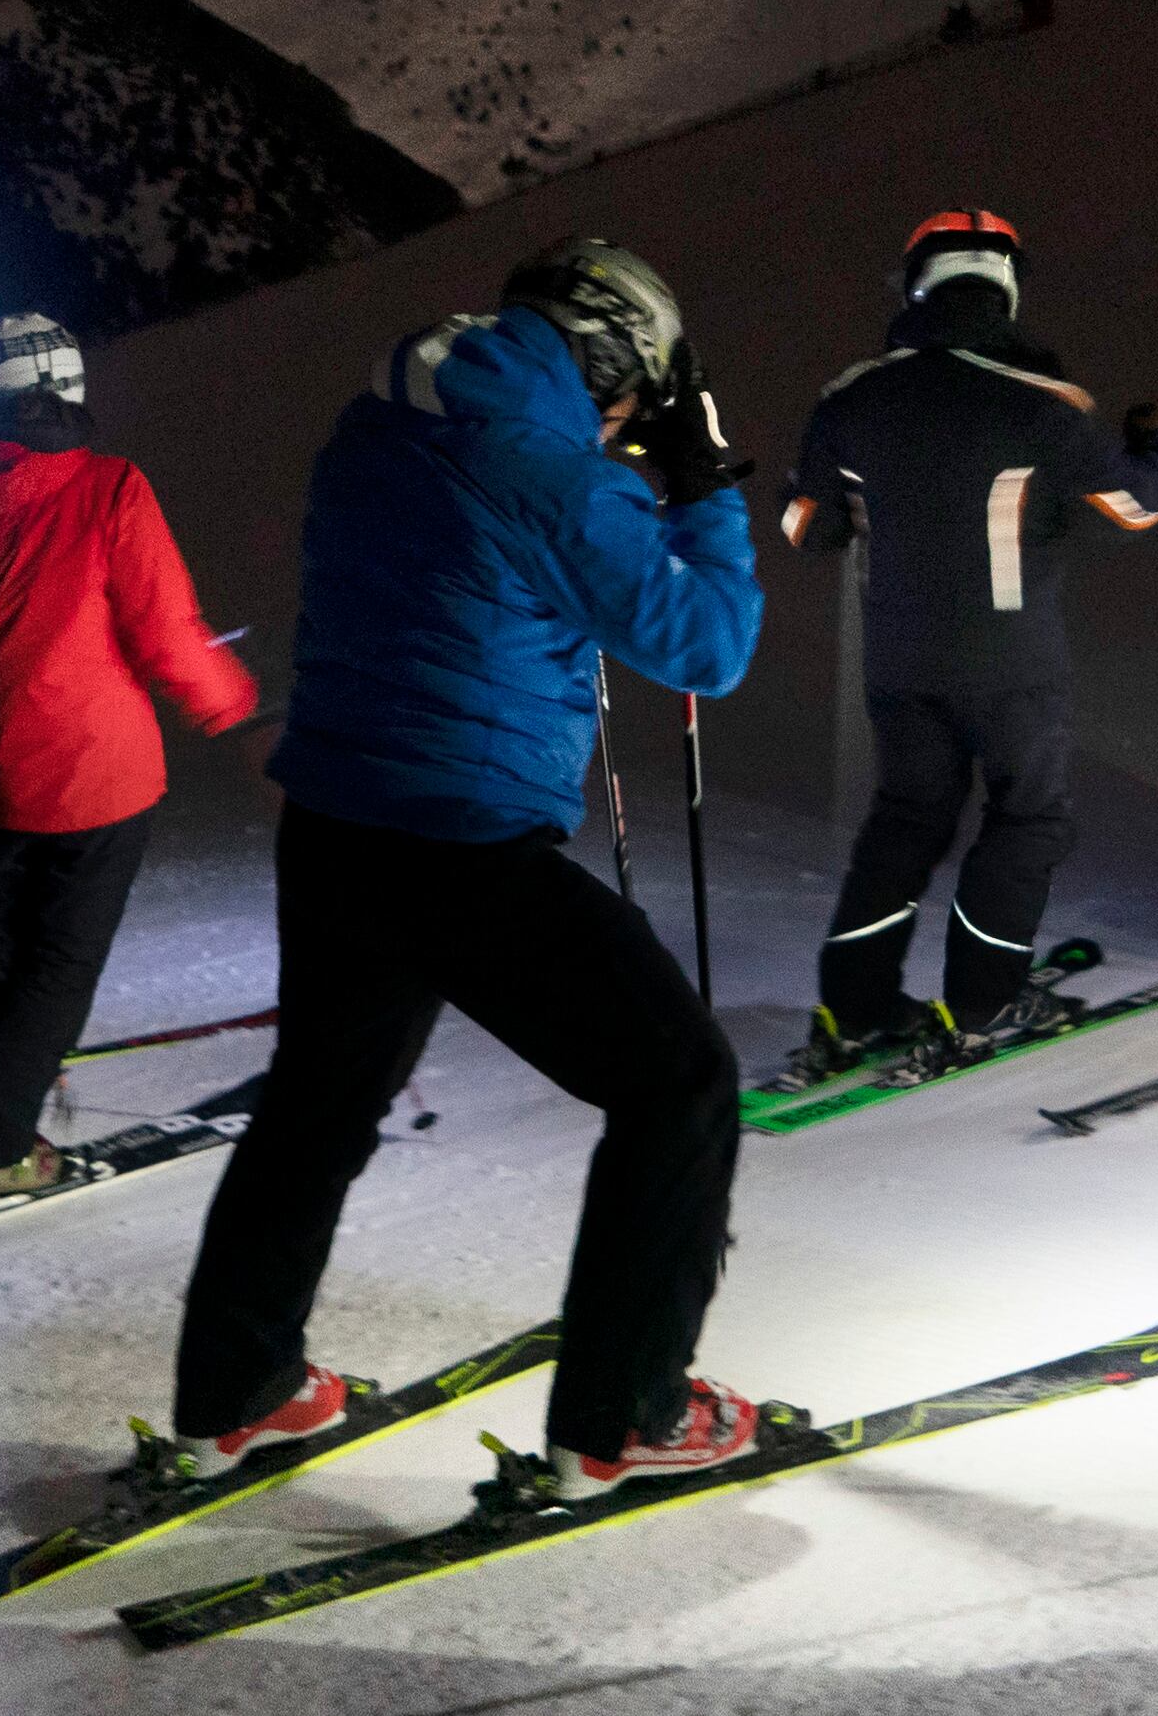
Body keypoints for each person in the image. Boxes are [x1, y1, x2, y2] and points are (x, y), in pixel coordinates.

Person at [172, 237, 771, 1487]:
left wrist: (614, 478)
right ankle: (623, 1415)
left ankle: (239, 1385)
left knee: (316, 1107)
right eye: (627, 396)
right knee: (678, 1086)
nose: (622, 423)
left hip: (335, 821)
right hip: (458, 842)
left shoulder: (377, 420)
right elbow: (704, 645)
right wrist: (704, 488)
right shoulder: (545, 465)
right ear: (609, 356)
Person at [772, 210, 1158, 1083]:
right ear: (1004, 284)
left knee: (908, 816)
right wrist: (1155, 450)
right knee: (1025, 816)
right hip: (1012, 664)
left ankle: (852, 1009)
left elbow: (803, 528)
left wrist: (833, 488)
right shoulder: (1044, 403)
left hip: (900, 661)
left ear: (917, 283)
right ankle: (986, 999)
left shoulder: (850, 397)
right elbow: (1129, 511)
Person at [0, 313, 258, 1213]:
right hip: (103, 780)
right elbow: (166, 632)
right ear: (61, 390)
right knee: (55, 970)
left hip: (12, 778)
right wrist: (232, 704)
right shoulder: (109, 489)